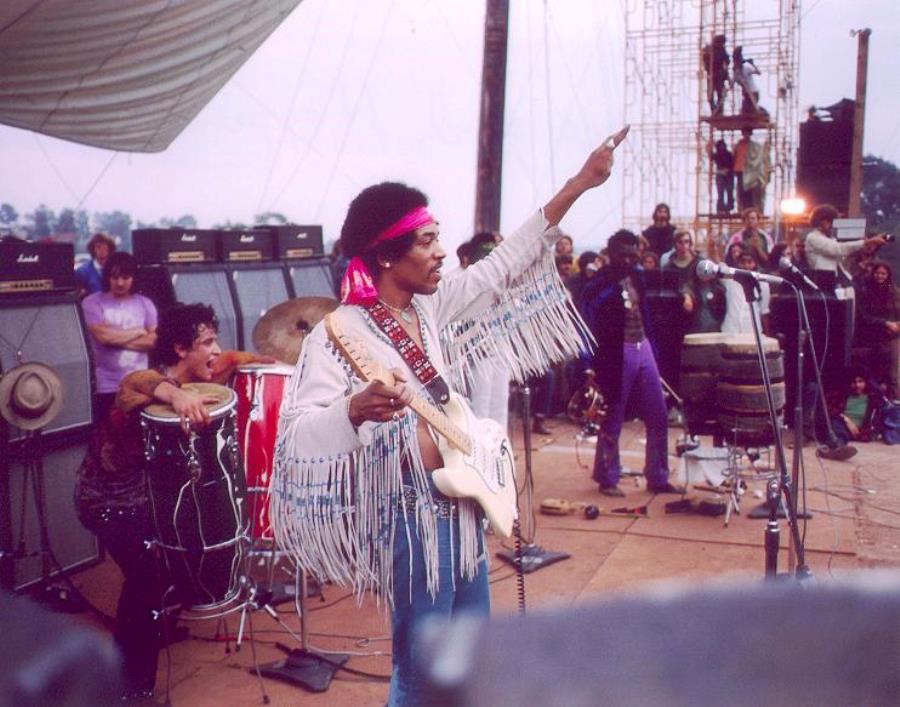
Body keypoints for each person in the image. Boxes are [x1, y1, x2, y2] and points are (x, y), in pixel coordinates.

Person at [271, 129, 628, 705]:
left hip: (459, 504)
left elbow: (505, 263)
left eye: (439, 239)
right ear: (387, 255)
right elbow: (295, 436)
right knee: (422, 666)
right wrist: (353, 410)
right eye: (428, 241)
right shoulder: (339, 332)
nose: (442, 252)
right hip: (409, 512)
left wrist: (579, 185)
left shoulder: (432, 305)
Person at [74, 303, 267, 701]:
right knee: (148, 578)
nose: (216, 350)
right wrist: (173, 396)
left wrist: (275, 359)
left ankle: (153, 634)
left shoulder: (208, 370)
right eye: (207, 342)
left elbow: (236, 357)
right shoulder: (148, 386)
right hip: (106, 500)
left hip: (147, 499)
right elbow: (134, 383)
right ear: (180, 349)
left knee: (175, 555)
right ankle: (130, 688)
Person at [580, 229, 681, 498]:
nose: (627, 259)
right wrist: (587, 362)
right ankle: (607, 476)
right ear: (611, 254)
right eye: (622, 255)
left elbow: (645, 313)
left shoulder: (638, 275)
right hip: (615, 352)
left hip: (641, 346)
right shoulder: (599, 282)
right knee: (613, 414)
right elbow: (587, 321)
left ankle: (658, 476)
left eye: (632, 254)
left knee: (658, 413)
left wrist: (653, 349)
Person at [81, 252, 158, 421]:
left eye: (125, 277)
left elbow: (154, 340)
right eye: (115, 277)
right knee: (109, 440)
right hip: (106, 385)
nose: (120, 283)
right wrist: (138, 331)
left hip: (140, 384)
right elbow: (103, 338)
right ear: (107, 277)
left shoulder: (145, 303)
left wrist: (115, 338)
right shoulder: (92, 302)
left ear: (133, 278)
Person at [855, 261, 900, 399]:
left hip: (892, 338)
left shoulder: (895, 292)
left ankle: (894, 410)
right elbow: (864, 316)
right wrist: (885, 323)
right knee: (873, 375)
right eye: (877, 273)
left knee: (892, 376)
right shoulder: (866, 292)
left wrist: (896, 326)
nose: (880, 276)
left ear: (888, 275)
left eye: (883, 273)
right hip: (872, 338)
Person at [804, 204, 888, 275]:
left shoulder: (830, 239)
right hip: (822, 279)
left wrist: (865, 247)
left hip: (834, 279)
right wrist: (868, 242)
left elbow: (842, 254)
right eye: (829, 221)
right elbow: (837, 249)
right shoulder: (812, 237)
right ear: (821, 220)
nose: (831, 225)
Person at [721, 246, 771, 335]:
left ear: (755, 264)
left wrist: (767, 335)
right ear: (738, 263)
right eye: (743, 262)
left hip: (752, 332)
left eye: (749, 262)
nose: (746, 266)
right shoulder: (730, 280)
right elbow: (720, 267)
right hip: (730, 331)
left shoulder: (763, 284)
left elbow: (764, 312)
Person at [75, 232, 115, 298]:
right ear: (92, 249)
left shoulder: (116, 270)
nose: (102, 251)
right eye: (98, 247)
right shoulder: (81, 272)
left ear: (110, 250)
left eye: (105, 248)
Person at [702, 34, 729, 114]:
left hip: (719, 74)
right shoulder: (709, 49)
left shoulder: (721, 49)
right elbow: (705, 60)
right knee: (710, 96)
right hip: (711, 74)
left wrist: (725, 72)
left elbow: (727, 60)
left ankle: (719, 111)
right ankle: (714, 110)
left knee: (720, 94)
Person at [732, 46, 762, 115]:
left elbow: (758, 73)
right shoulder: (736, 71)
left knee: (748, 113)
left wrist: (752, 65)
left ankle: (759, 111)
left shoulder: (746, 67)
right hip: (746, 94)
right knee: (745, 112)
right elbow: (732, 83)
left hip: (753, 93)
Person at [710, 139, 735, 214]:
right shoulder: (717, 155)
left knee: (728, 192)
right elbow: (711, 156)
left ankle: (727, 208)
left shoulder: (728, 154)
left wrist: (727, 170)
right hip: (722, 175)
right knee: (721, 193)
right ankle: (722, 208)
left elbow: (732, 164)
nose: (722, 148)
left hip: (728, 175)